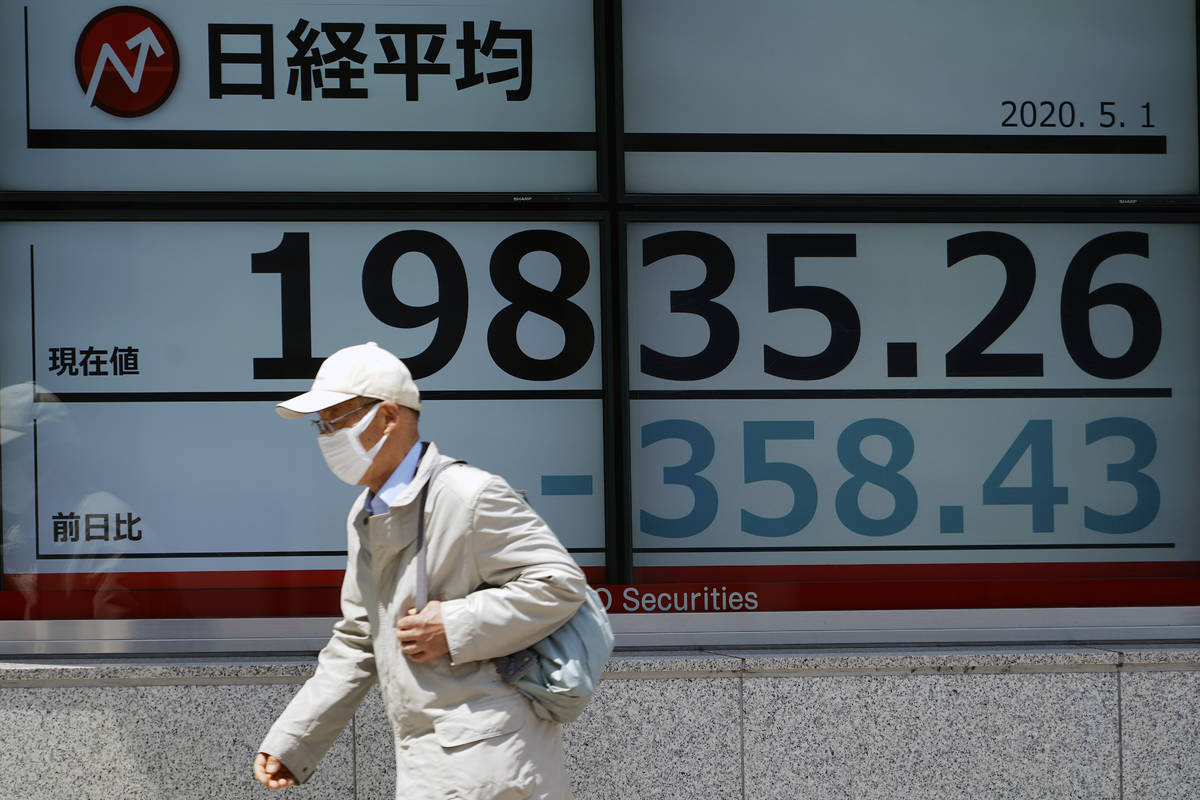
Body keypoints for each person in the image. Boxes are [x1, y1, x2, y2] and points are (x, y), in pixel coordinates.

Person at [253, 341, 587, 798]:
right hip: (435, 760)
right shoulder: (367, 513)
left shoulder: (469, 495)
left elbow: (559, 582)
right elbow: (359, 637)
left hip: (492, 762)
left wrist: (453, 624)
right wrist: (294, 742)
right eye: (321, 424)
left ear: (388, 417)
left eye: (337, 419)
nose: (326, 435)